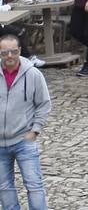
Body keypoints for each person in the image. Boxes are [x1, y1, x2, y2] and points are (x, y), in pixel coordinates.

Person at [0, 33, 49, 210]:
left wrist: (35, 130)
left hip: (24, 140)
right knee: (5, 190)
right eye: (5, 53)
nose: (10, 56)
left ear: (20, 51)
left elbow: (44, 104)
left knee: (34, 186)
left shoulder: (33, 74)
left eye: (13, 51)